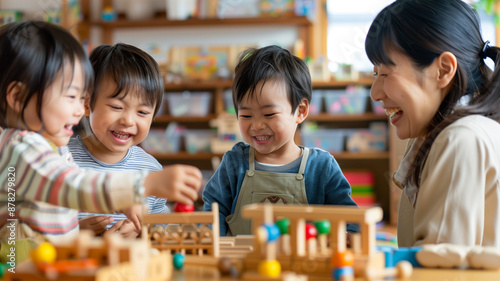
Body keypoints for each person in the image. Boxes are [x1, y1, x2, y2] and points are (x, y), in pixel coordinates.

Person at [0, 21, 202, 262]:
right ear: (18, 97)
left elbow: (72, 195)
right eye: (72, 96)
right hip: (24, 265)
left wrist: (131, 210)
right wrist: (142, 186)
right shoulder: (23, 149)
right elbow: (73, 186)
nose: (80, 108)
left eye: (82, 97)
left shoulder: (47, 148)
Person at [366, 0, 500, 247]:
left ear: (443, 70)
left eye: (385, 74)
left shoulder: (460, 139)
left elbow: (437, 268)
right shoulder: (448, 132)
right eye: (375, 74)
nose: (375, 93)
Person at [202, 45, 358, 236]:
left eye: (269, 114)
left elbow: (349, 218)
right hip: (243, 262)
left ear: (300, 111)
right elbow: (213, 210)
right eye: (246, 116)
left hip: (304, 264)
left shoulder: (321, 167)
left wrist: (349, 234)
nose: (257, 125)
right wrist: (209, 235)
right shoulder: (235, 162)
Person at [65, 43, 167, 238]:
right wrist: (76, 229)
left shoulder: (151, 170)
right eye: (116, 106)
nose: (128, 120)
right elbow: (40, 224)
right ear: (87, 104)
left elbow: (161, 226)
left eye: (142, 112)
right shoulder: (63, 158)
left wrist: (142, 230)